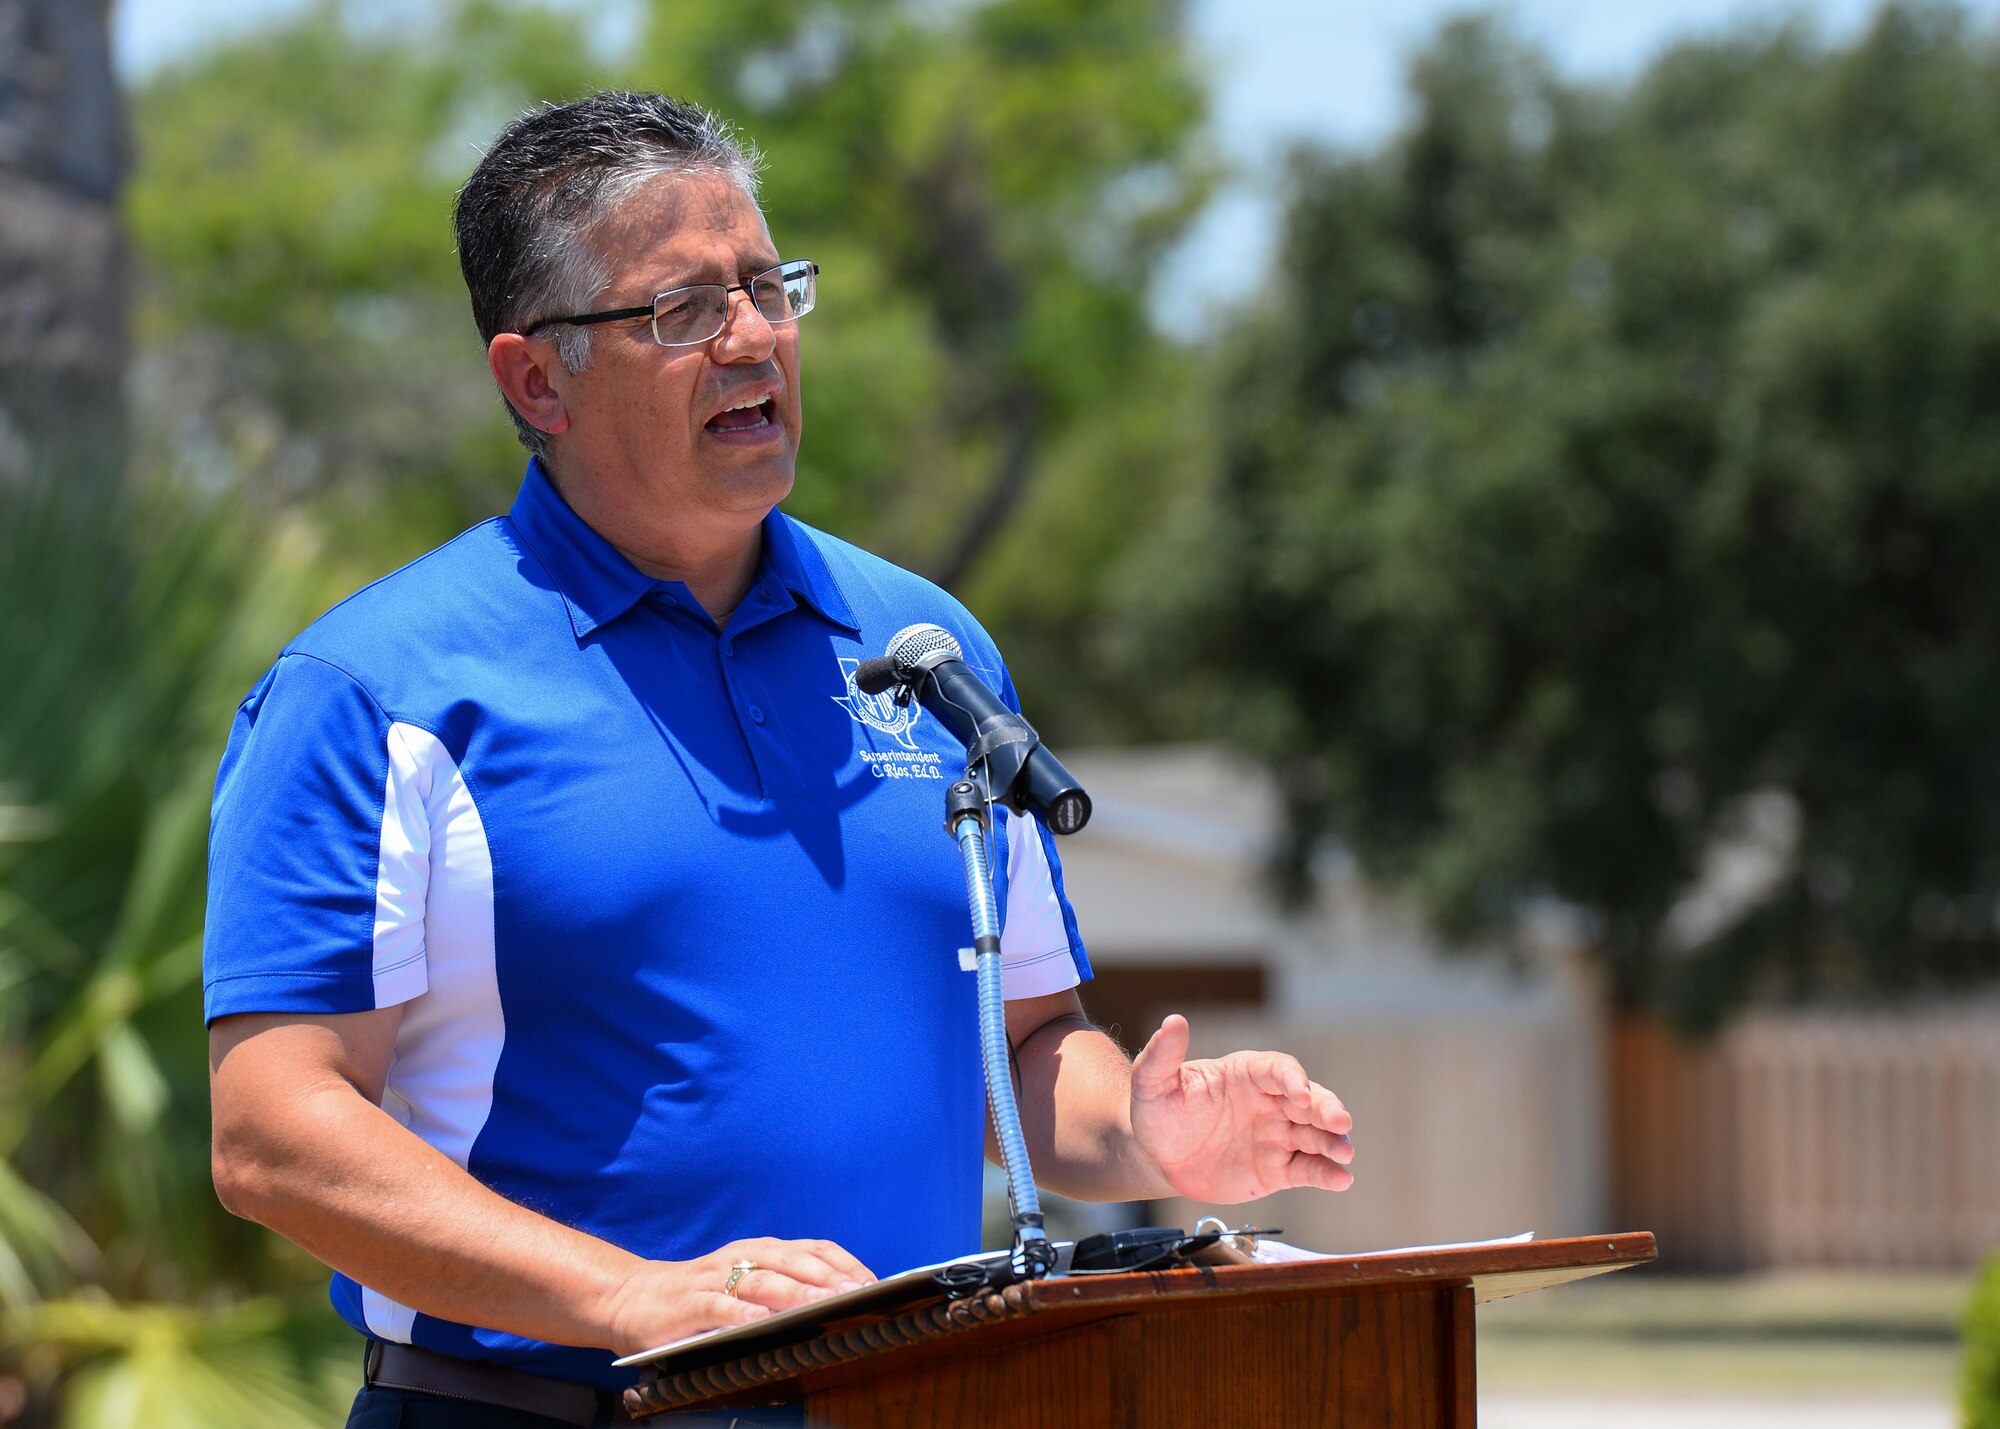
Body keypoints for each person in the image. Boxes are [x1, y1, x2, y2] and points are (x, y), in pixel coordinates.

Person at [203, 91, 1355, 1429]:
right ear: (535, 380)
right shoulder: (378, 692)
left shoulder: (927, 646)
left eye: (768, 287)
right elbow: (272, 1131)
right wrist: (635, 1296)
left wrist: (1151, 1131)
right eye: (682, 310)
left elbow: (1030, 1045)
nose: (753, 338)